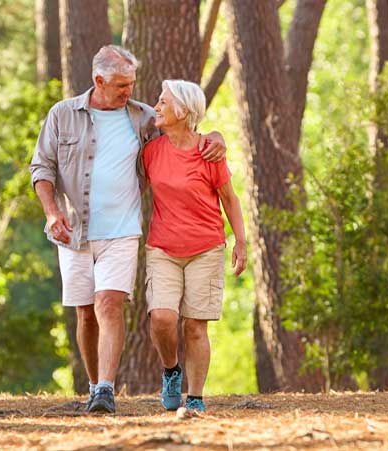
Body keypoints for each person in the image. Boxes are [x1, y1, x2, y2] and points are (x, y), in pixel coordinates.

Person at [29, 46, 226, 414]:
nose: (129, 92)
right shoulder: (62, 114)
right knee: (85, 312)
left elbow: (186, 132)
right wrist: (52, 212)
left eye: (132, 83)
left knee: (109, 303)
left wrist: (216, 135)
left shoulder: (143, 118)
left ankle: (105, 389)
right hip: (73, 232)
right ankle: (93, 386)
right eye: (121, 85)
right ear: (98, 80)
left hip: (121, 232)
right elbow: (42, 168)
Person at [142, 79, 247, 417]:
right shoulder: (151, 152)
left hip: (206, 248)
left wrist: (241, 241)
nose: (156, 107)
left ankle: (196, 397)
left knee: (195, 326)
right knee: (162, 317)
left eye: (163, 102)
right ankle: (171, 371)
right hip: (163, 249)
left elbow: (229, 199)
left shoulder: (209, 152)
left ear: (183, 111)